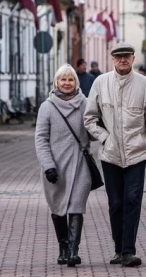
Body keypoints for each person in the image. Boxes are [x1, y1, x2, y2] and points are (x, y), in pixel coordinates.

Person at [84, 42, 146, 267]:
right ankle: (118, 249)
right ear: (112, 60)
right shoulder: (101, 82)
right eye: (118, 57)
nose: (122, 60)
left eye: (126, 56)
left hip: (137, 152)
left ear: (133, 58)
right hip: (110, 154)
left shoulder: (144, 84)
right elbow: (89, 118)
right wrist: (104, 137)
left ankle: (129, 250)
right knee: (116, 202)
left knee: (132, 199)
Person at [35, 64, 93, 267]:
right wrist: (48, 165)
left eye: (70, 79)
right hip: (55, 167)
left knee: (76, 206)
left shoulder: (86, 103)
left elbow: (94, 130)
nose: (67, 83)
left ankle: (73, 251)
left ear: (75, 82)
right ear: (56, 82)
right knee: (58, 207)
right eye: (63, 79)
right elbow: (41, 139)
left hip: (79, 164)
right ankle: (63, 247)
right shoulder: (47, 107)